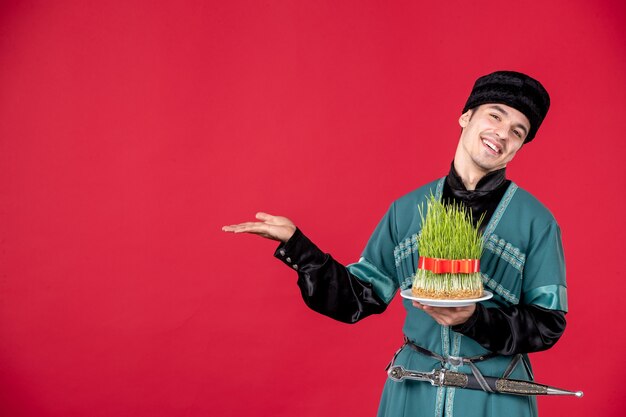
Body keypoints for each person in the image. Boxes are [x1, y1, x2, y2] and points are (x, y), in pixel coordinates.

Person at [222, 71, 567, 417]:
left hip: (496, 396)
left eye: (517, 132)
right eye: (495, 115)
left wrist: (475, 319)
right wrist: (297, 245)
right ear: (466, 116)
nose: (502, 134)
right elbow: (358, 297)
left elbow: (548, 323)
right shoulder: (406, 211)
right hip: (414, 390)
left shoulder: (536, 221)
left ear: (518, 148)